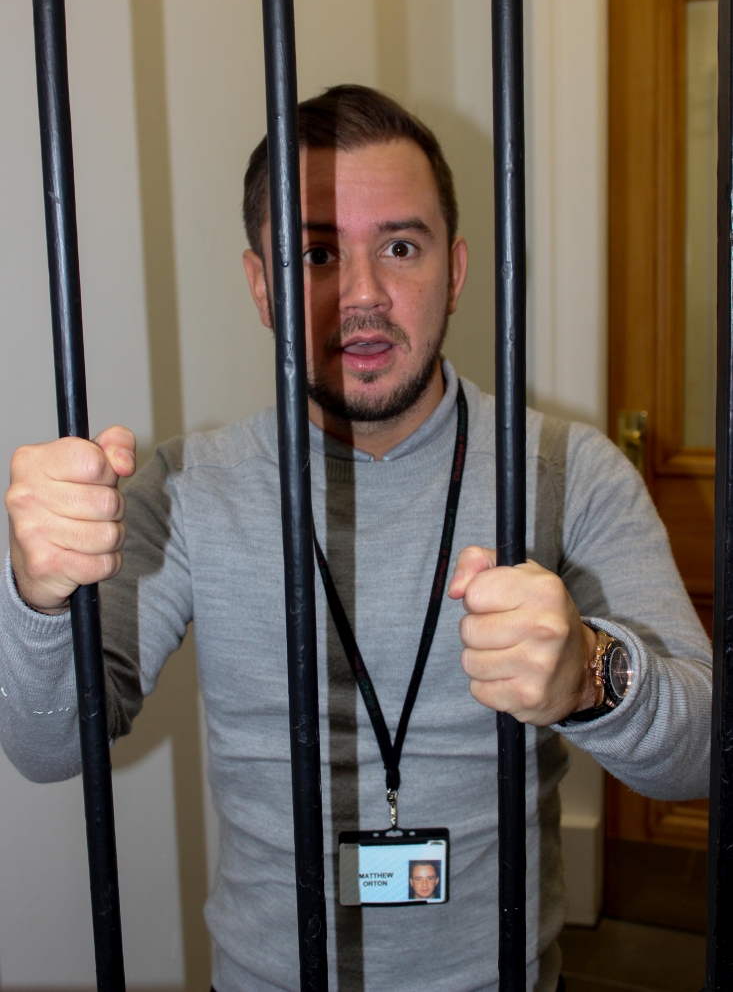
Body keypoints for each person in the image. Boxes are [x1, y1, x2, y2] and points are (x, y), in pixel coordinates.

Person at [0, 85, 712, 992]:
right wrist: (36, 597)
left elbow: (700, 753)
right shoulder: (184, 488)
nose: (363, 295)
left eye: (400, 247)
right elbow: (48, 749)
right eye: (316, 254)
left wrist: (590, 675)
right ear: (261, 285)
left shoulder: (568, 469)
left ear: (456, 270)